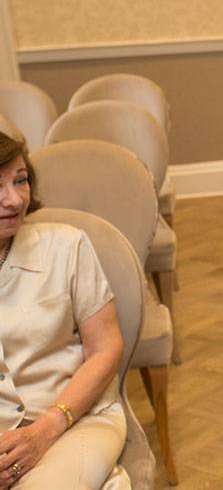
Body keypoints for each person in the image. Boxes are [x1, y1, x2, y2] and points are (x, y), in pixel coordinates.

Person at [0, 133, 130, 489]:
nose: (12, 200)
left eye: (20, 180)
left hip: (73, 417)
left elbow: (106, 348)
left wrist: (44, 431)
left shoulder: (67, 246)